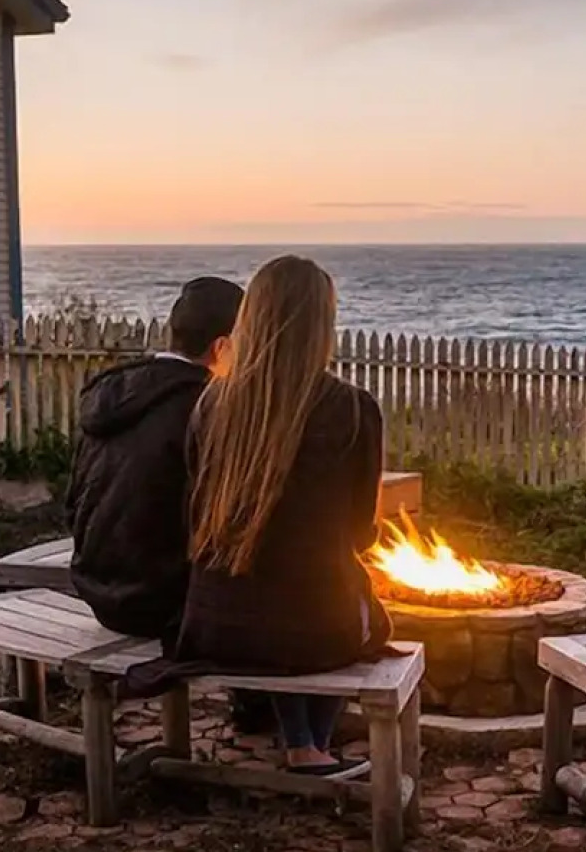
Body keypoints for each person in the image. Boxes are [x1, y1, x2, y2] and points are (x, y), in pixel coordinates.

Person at [125, 255, 393, 779]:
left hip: (212, 626)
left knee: (279, 594)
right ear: (323, 324)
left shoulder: (210, 404)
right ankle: (309, 747)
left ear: (251, 319)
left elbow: (194, 511)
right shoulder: (352, 408)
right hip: (310, 632)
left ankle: (303, 744)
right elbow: (362, 532)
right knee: (351, 605)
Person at [64, 276, 242, 653]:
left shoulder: (113, 394)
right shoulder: (209, 408)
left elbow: (74, 499)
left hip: (98, 591)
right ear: (223, 346)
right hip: (167, 603)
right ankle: (258, 706)